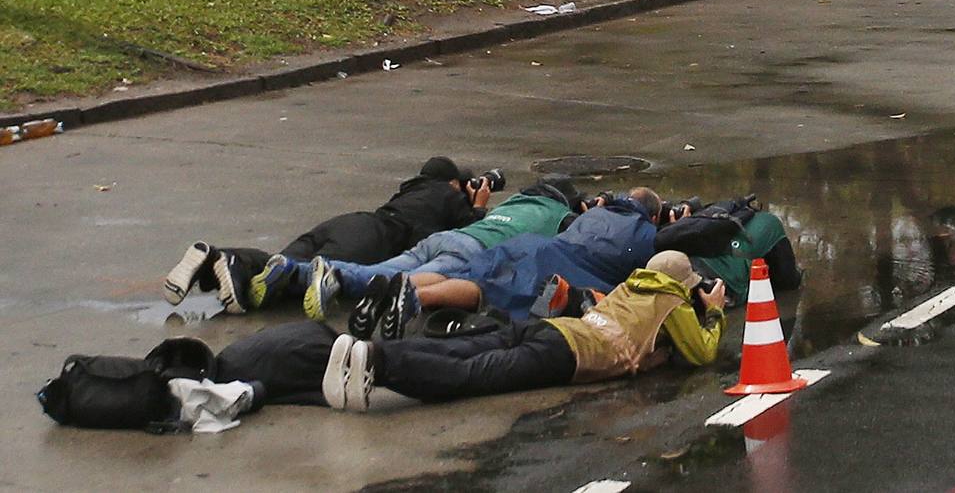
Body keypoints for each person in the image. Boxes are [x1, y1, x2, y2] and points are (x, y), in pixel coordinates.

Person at [317, 250, 728, 412]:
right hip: (569, 354)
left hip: (552, 328)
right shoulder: (673, 302)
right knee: (474, 374)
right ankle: (379, 364)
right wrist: (712, 313)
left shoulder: (631, 285)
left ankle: (367, 352)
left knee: (467, 347)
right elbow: (702, 354)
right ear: (684, 285)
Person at [162, 157, 489, 315]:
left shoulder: (408, 192)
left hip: (349, 223)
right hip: (374, 238)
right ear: (453, 184)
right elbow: (457, 243)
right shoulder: (448, 195)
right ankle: (230, 261)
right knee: (304, 279)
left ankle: (218, 259)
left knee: (279, 269)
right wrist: (475, 208)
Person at [359, 190, 669, 340]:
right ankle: (415, 297)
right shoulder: (646, 234)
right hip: (555, 267)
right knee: (483, 290)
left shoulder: (594, 214)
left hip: (531, 245)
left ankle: (398, 285)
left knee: (468, 272)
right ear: (653, 216)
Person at [302, 178, 583, 321]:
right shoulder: (560, 214)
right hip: (472, 251)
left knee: (380, 270)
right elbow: (585, 236)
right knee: (400, 286)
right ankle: (338, 280)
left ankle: (298, 269)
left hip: (446, 238)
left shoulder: (515, 201)